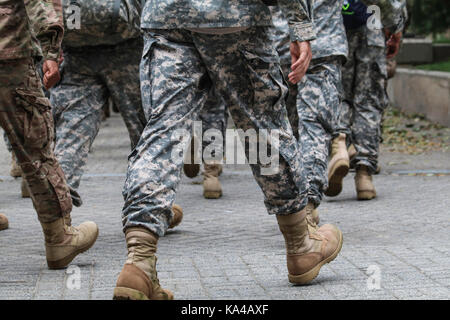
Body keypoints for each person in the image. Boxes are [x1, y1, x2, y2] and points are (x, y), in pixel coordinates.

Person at [112, 0, 346, 300]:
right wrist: (299, 26)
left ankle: (139, 260)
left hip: (166, 17)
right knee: (264, 131)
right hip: (235, 15)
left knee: (162, 131)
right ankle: (301, 245)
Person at [49, 1, 183, 227]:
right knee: (145, 130)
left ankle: (55, 220)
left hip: (76, 47)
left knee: (71, 132)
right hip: (127, 47)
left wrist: (50, 53)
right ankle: (148, 210)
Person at [0, 0, 98, 268]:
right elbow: (40, 5)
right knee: (35, 151)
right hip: (9, 58)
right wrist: (51, 51)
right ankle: (59, 238)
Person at [269, 0, 349, 223]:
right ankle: (308, 204)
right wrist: (392, 21)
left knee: (285, 129)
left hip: (280, 43)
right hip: (324, 42)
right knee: (314, 125)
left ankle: (292, 204)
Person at [329, 0, 405, 200]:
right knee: (369, 99)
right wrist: (395, 28)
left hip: (335, 27)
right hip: (372, 24)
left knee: (337, 93)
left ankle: (340, 145)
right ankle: (364, 176)